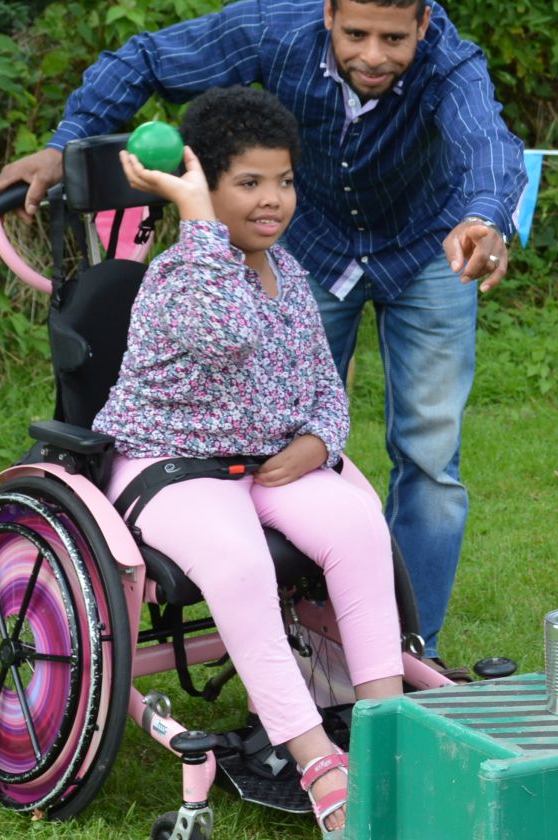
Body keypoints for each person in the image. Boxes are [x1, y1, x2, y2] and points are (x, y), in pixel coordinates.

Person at [0, 0, 528, 658]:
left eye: (395, 38)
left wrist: (484, 217)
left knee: (429, 459)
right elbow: (146, 57)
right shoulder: (278, 25)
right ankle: (292, 635)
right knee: (271, 440)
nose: (373, 54)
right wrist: (68, 141)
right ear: (328, 13)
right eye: (355, 32)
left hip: (430, 245)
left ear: (423, 27)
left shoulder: (450, 60)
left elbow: (490, 142)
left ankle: (403, 648)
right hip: (312, 243)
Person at [93, 86, 397, 836]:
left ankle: (389, 734)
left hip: (264, 463)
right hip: (172, 464)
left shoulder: (285, 273)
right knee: (239, 562)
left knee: (359, 524)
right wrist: (194, 215)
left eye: (285, 181)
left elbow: (325, 384)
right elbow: (225, 337)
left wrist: (319, 441)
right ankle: (317, 759)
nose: (273, 201)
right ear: (205, 184)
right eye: (248, 184)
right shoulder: (179, 275)